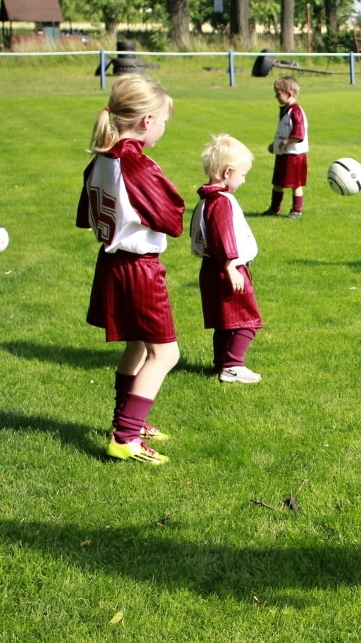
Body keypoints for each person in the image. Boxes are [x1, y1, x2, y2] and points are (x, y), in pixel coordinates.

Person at [76, 75, 185, 465]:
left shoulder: (102, 157)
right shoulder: (133, 161)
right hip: (138, 267)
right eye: (163, 121)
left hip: (112, 262)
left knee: (138, 345)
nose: (163, 128)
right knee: (165, 354)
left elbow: (84, 215)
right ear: (146, 120)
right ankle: (125, 437)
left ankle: (127, 423)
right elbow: (172, 217)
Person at [191, 134, 265, 384]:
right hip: (227, 268)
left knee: (225, 322)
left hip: (212, 268)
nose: (243, 180)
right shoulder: (220, 202)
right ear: (227, 172)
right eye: (242, 175)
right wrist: (231, 266)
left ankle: (221, 363)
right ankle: (233, 364)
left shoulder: (207, 199)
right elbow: (222, 236)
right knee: (248, 320)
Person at [263, 76, 308, 218]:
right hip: (282, 154)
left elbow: (299, 134)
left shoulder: (296, 111)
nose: (276, 96)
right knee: (277, 182)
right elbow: (282, 131)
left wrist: (286, 142)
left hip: (295, 155)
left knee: (296, 184)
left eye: (278, 93)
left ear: (289, 94)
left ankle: (296, 210)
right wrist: (275, 144)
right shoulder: (285, 109)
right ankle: (274, 208)